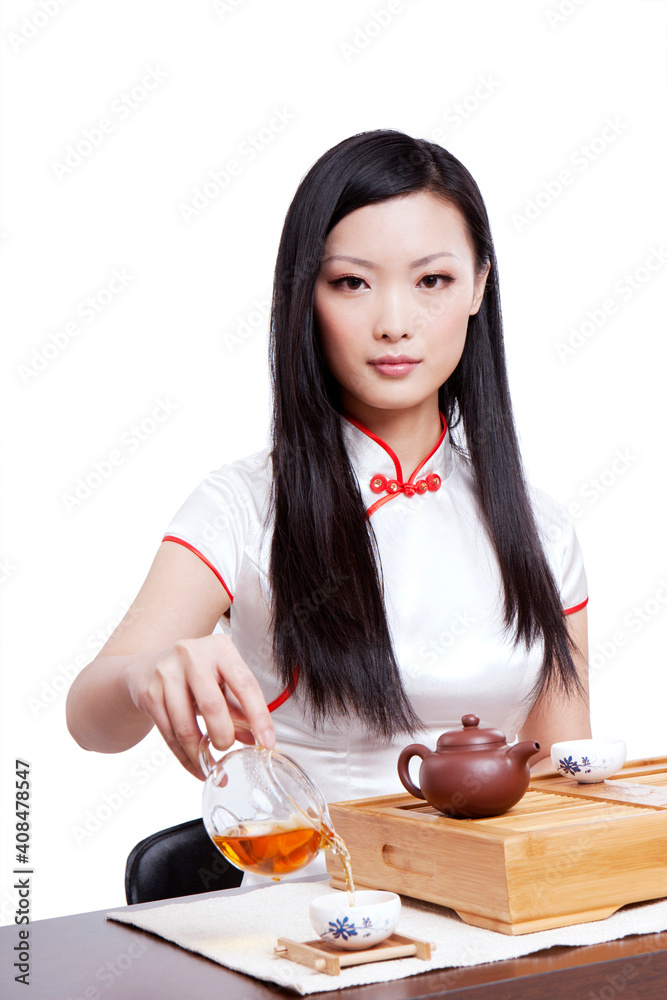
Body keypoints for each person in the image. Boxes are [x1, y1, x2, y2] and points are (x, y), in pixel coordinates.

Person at [66, 129, 590, 851]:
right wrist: (143, 676)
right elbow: (88, 721)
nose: (394, 323)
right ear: (305, 295)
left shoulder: (541, 528)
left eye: (430, 281)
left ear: (478, 285)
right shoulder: (245, 506)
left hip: (489, 921)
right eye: (351, 282)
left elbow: (565, 785)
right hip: (310, 918)